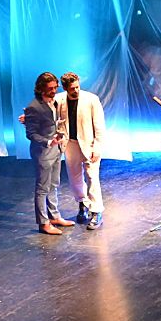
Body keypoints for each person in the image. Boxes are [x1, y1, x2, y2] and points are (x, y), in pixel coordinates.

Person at [23, 71, 74, 235]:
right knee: (42, 189)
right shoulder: (34, 107)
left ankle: (54, 216)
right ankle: (43, 223)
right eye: (50, 88)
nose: (54, 91)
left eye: (55, 87)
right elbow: (31, 134)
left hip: (57, 150)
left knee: (54, 185)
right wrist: (47, 141)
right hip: (43, 153)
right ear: (41, 88)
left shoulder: (55, 102)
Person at [59, 72, 106, 230]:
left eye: (78, 86)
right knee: (74, 177)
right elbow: (46, 114)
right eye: (72, 88)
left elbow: (99, 126)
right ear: (65, 88)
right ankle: (83, 204)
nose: (76, 90)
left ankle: (96, 211)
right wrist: (29, 118)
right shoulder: (59, 100)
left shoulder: (91, 99)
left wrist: (97, 147)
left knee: (92, 176)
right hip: (70, 143)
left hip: (89, 143)